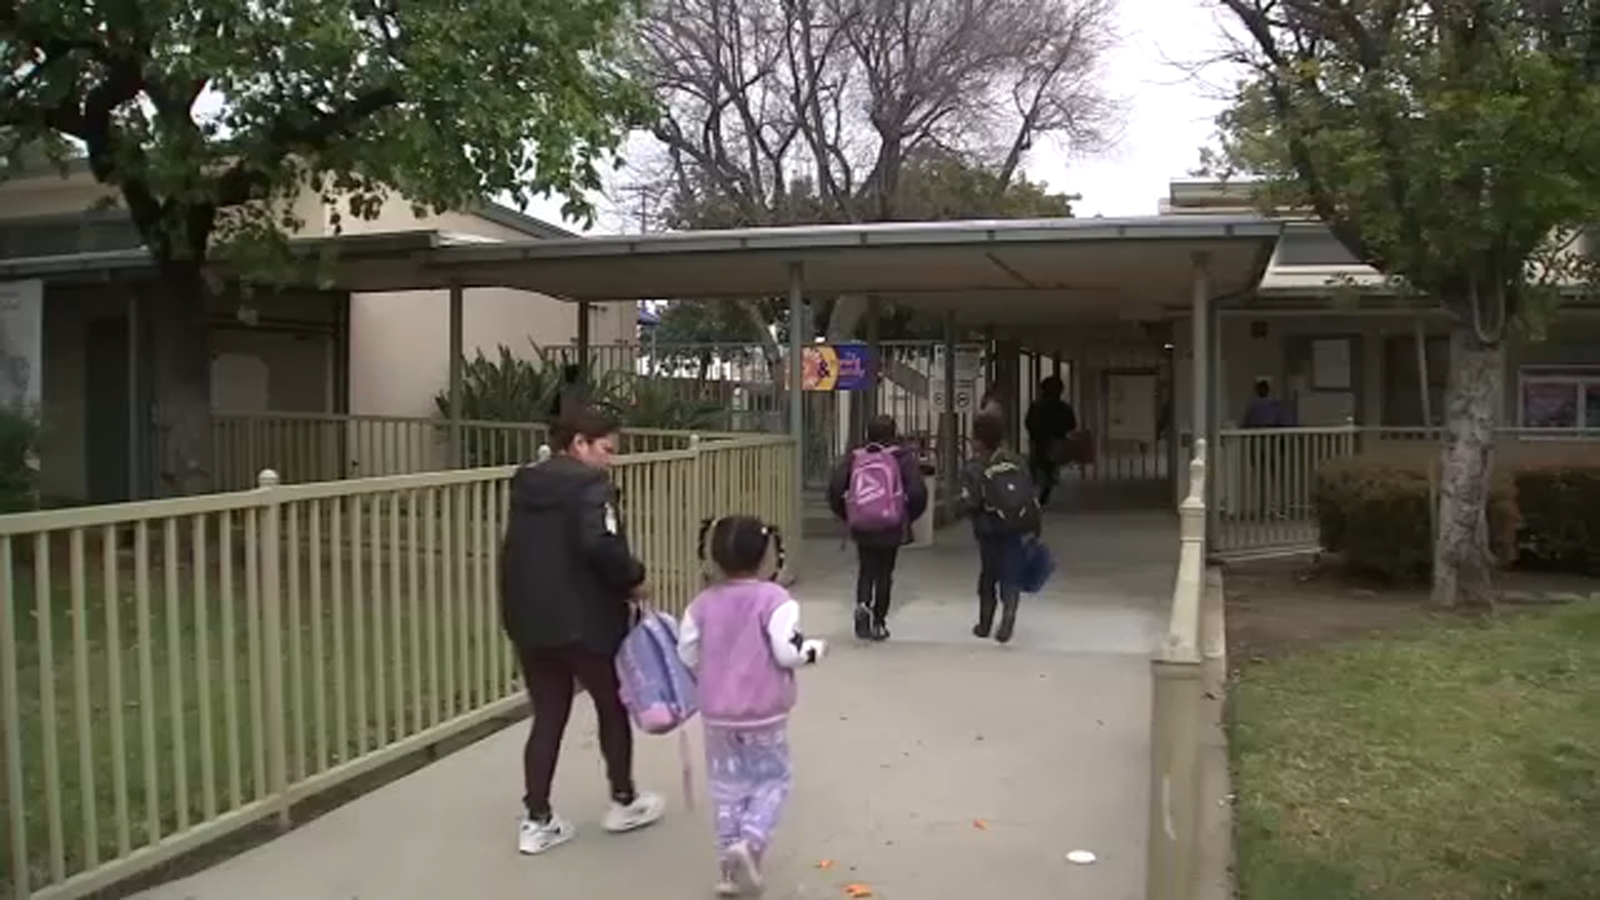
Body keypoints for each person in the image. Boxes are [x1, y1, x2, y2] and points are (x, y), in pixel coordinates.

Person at [499, 405, 665, 855]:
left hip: (530, 620)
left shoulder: (525, 483)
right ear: (579, 444)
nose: (610, 459)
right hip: (586, 620)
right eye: (606, 449)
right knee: (612, 705)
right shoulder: (591, 486)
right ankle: (623, 800)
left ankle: (537, 819)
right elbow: (600, 544)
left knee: (548, 714)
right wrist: (633, 578)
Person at [678, 516, 826, 897]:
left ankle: (729, 872)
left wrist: (711, 672)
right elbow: (787, 652)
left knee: (727, 789)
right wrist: (813, 651)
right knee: (773, 780)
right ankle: (752, 841)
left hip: (717, 715)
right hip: (764, 713)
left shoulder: (702, 604)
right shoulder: (774, 600)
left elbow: (687, 652)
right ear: (765, 557)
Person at [826, 414, 929, 641]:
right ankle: (879, 622)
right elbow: (918, 492)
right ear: (893, 435)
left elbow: (835, 489)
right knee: (885, 572)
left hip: (862, 524)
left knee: (866, 568)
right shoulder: (901, 458)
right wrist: (906, 517)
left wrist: (848, 514)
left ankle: (863, 604)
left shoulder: (856, 457)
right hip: (890, 524)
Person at [956, 413, 1042, 644]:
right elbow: (1028, 492)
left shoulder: (975, 467)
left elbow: (971, 501)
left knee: (988, 575)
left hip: (988, 530)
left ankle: (984, 624)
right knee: (1010, 572)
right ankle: (1009, 615)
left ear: (978, 441)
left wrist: (962, 509)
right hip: (1015, 527)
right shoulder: (1017, 462)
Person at [1023, 375, 1078, 506]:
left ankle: (1038, 490)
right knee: (1050, 466)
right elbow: (1072, 424)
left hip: (1038, 441)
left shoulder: (1036, 406)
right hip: (1056, 441)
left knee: (1037, 466)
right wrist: (1060, 432)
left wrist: (1035, 434)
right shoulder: (1063, 407)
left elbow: (1029, 423)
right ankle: (1046, 487)